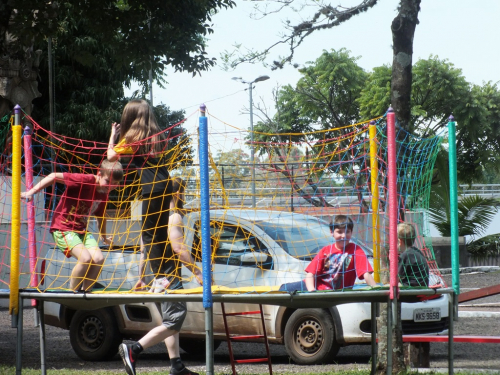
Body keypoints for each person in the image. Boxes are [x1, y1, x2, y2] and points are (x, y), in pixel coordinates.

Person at [118, 177, 202, 375]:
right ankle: (134, 348)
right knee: (174, 321)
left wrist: (142, 277)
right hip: (170, 278)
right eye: (184, 192)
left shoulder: (151, 220)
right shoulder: (174, 217)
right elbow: (179, 248)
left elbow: (143, 250)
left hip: (157, 280)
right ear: (177, 193)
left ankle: (176, 365)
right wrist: (197, 272)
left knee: (169, 323)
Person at [21, 160, 123, 291]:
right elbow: (53, 176)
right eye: (108, 181)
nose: (110, 186)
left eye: (115, 184)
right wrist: (31, 192)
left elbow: (101, 217)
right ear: (99, 174)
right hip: (63, 228)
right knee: (86, 259)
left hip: (80, 231)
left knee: (98, 259)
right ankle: (73, 293)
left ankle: (86, 292)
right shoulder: (85, 180)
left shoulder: (103, 195)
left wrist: (104, 236)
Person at [107, 99, 172, 290]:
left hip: (151, 188)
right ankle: (168, 275)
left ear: (130, 117)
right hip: (165, 184)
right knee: (161, 232)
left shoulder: (133, 138)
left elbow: (110, 156)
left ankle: (160, 277)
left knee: (148, 234)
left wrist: (113, 136)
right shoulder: (153, 135)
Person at [280, 215, 377, 292]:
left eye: (347, 232)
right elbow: (310, 274)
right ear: (332, 232)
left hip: (336, 291)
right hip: (316, 287)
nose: (343, 236)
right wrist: (312, 291)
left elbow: (366, 274)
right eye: (339, 232)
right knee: (283, 289)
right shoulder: (326, 251)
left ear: (351, 233)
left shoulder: (355, 250)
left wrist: (375, 288)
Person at [397, 222, 429, 287]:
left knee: (388, 287)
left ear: (399, 242)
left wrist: (392, 261)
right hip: (422, 287)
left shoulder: (405, 255)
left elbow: (395, 278)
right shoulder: (417, 251)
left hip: (411, 289)